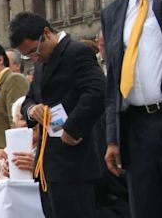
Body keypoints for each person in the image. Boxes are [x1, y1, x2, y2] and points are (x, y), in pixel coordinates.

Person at [9, 11, 105, 218]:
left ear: (47, 33)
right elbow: (29, 99)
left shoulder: (76, 52)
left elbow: (96, 91)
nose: (34, 57)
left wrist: (73, 127)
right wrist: (31, 110)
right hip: (48, 162)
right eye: (28, 55)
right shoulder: (41, 63)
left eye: (35, 51)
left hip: (74, 159)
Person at [101, 0, 162, 217]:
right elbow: (113, 78)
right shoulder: (114, 13)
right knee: (145, 208)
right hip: (136, 127)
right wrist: (113, 138)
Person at [0, 96, 38, 181]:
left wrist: (39, 169)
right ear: (15, 124)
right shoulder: (8, 150)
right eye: (23, 118)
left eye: (33, 118)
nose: (28, 123)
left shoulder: (52, 150)